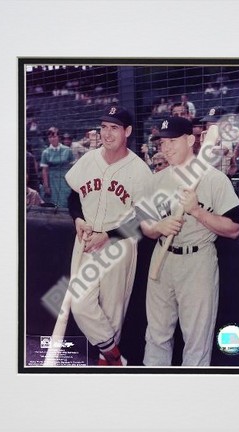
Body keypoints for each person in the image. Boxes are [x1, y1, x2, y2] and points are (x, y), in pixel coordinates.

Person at [139, 116, 239, 366]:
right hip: (162, 260)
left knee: (197, 340)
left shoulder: (215, 179)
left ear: (191, 140)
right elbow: (143, 223)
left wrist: (197, 211)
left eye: (173, 141)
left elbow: (233, 229)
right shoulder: (157, 180)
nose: (166, 147)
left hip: (197, 262)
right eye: (162, 142)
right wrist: (157, 228)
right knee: (156, 335)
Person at [65, 105, 153, 366]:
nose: (107, 133)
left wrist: (110, 235)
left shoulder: (139, 169)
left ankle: (107, 362)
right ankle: (115, 357)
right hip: (88, 240)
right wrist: (78, 219)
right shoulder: (89, 159)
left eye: (114, 127)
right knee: (80, 303)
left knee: (113, 313)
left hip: (119, 244)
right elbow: (73, 197)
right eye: (103, 127)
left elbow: (145, 218)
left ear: (127, 131)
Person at [40, 126, 74, 207]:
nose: (52, 139)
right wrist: (46, 186)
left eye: (54, 136)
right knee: (54, 202)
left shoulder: (67, 150)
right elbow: (44, 170)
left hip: (65, 180)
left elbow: (72, 167)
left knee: (66, 200)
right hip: (52, 181)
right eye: (50, 137)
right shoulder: (45, 152)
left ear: (58, 137)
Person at [200, 106, 235, 176]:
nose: (210, 126)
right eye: (208, 123)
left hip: (221, 179)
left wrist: (204, 145)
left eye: (214, 123)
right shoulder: (209, 138)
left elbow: (213, 161)